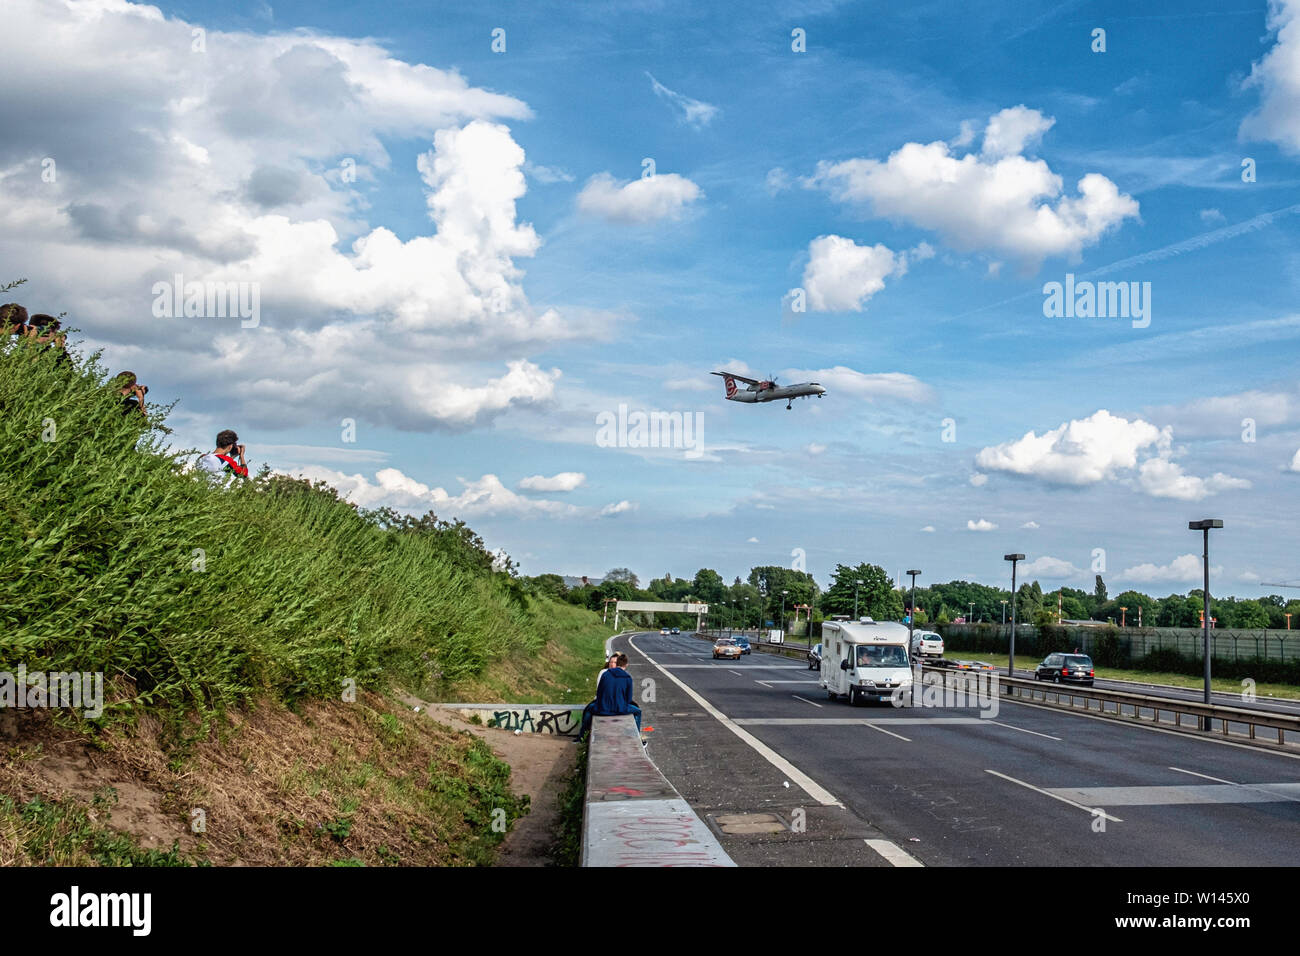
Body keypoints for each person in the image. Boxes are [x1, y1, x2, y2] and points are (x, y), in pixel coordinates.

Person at [576, 652, 641, 742]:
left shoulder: (605, 674)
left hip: (603, 709)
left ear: (617, 663)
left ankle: (581, 737)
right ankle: (637, 739)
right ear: (626, 665)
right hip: (620, 710)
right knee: (638, 712)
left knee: (588, 710)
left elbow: (599, 693)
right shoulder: (628, 678)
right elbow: (628, 699)